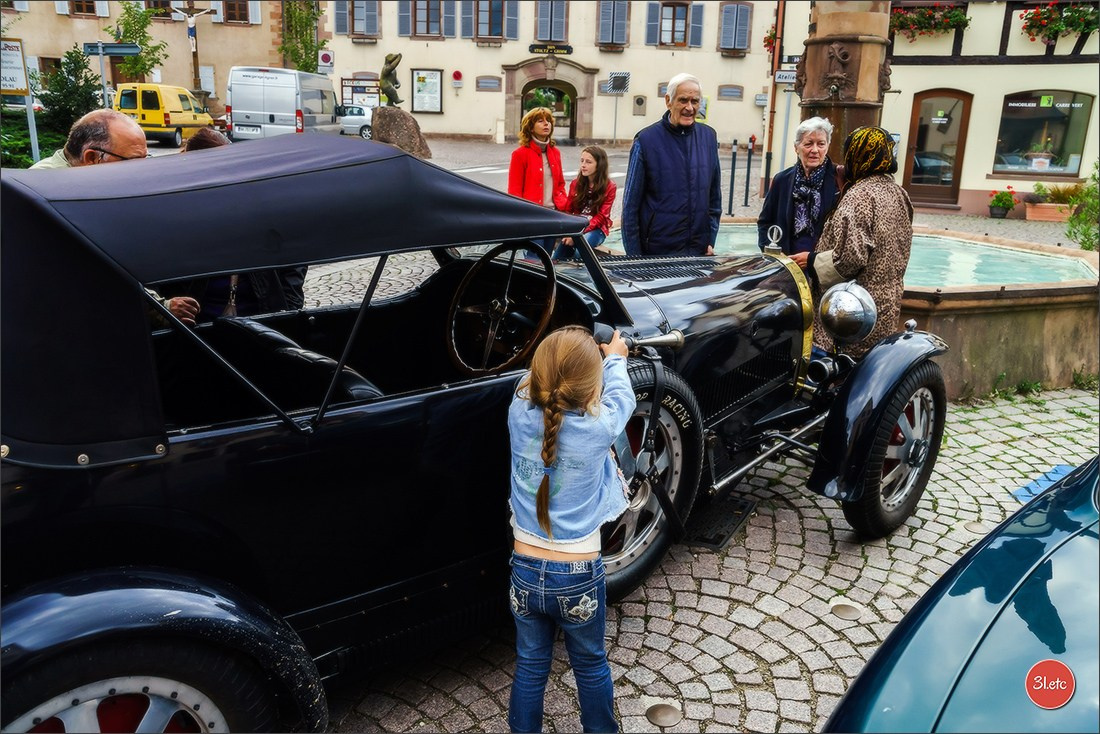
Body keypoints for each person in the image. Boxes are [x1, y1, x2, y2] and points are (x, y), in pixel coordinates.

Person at [507, 325, 634, 733]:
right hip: (577, 575)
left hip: (523, 568)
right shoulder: (599, 429)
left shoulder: (516, 414)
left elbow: (533, 382)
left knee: (529, 666)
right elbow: (622, 397)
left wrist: (560, 355)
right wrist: (614, 357)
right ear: (590, 387)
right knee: (591, 664)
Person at [159, 128, 307, 322]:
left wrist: (289, 307)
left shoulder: (258, 199)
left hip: (261, 321)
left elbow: (293, 252)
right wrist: (169, 307)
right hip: (199, 327)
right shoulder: (177, 208)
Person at [791, 126, 912, 360]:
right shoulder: (898, 193)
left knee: (839, 375)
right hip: (885, 306)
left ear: (857, 155)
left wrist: (812, 260)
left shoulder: (859, 196)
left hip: (852, 312)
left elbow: (850, 259)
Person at [620, 72, 721, 257]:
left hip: (698, 252)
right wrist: (635, 259)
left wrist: (709, 240)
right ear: (668, 101)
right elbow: (630, 208)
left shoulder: (709, 137)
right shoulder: (646, 140)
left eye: (695, 101)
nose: (689, 108)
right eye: (683, 100)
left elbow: (714, 201)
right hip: (657, 253)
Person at [757, 117, 841, 255]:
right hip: (788, 263)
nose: (815, 150)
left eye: (821, 144)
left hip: (823, 266)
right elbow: (765, 223)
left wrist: (814, 261)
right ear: (796, 147)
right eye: (808, 144)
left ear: (827, 146)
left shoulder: (839, 179)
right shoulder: (782, 180)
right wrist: (775, 254)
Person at [553, 145, 617, 260]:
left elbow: (602, 216)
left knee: (581, 250)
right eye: (582, 161)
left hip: (596, 229)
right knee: (556, 257)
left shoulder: (609, 187)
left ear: (599, 165)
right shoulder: (576, 184)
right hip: (576, 226)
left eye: (588, 162)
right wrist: (569, 231)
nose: (583, 165)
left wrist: (579, 233)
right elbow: (569, 210)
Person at [30, 108, 148, 169]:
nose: (144, 169)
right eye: (135, 161)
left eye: (146, 158)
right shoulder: (43, 191)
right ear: (91, 158)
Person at [508, 106, 568, 212]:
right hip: (532, 213)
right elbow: (514, 191)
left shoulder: (555, 153)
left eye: (548, 121)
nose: (546, 124)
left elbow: (560, 184)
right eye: (540, 121)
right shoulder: (520, 154)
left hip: (555, 212)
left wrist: (563, 203)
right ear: (531, 127)